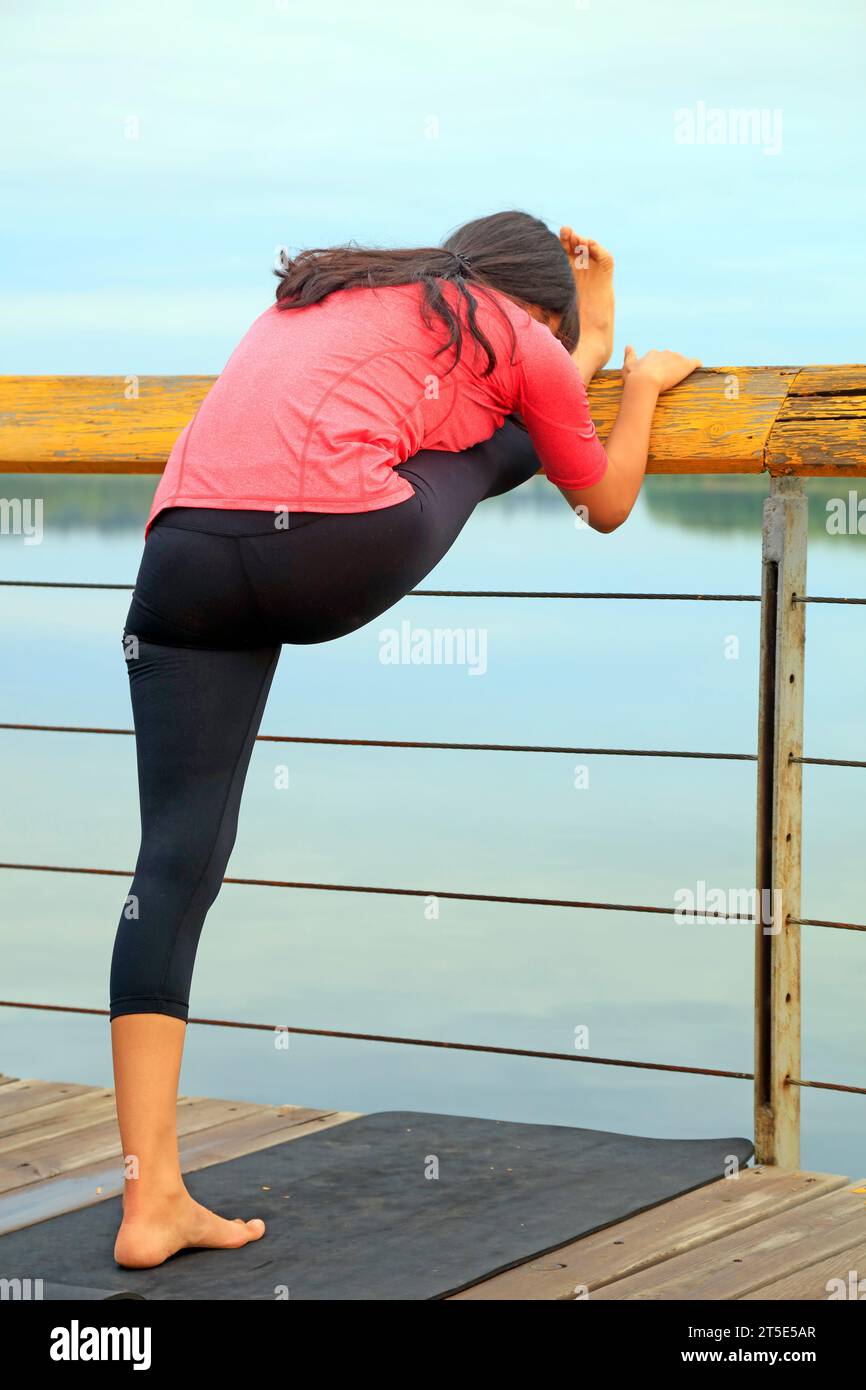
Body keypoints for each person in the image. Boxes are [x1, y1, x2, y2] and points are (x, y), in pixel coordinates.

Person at [110, 210, 699, 1268]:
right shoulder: (516, 345)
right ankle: (156, 1204)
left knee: (172, 864)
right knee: (486, 449)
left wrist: (584, 335)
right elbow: (603, 500)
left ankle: (149, 1201)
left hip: (183, 555)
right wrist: (639, 383)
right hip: (333, 549)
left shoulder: (325, 295)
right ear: (542, 313)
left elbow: (528, 371)